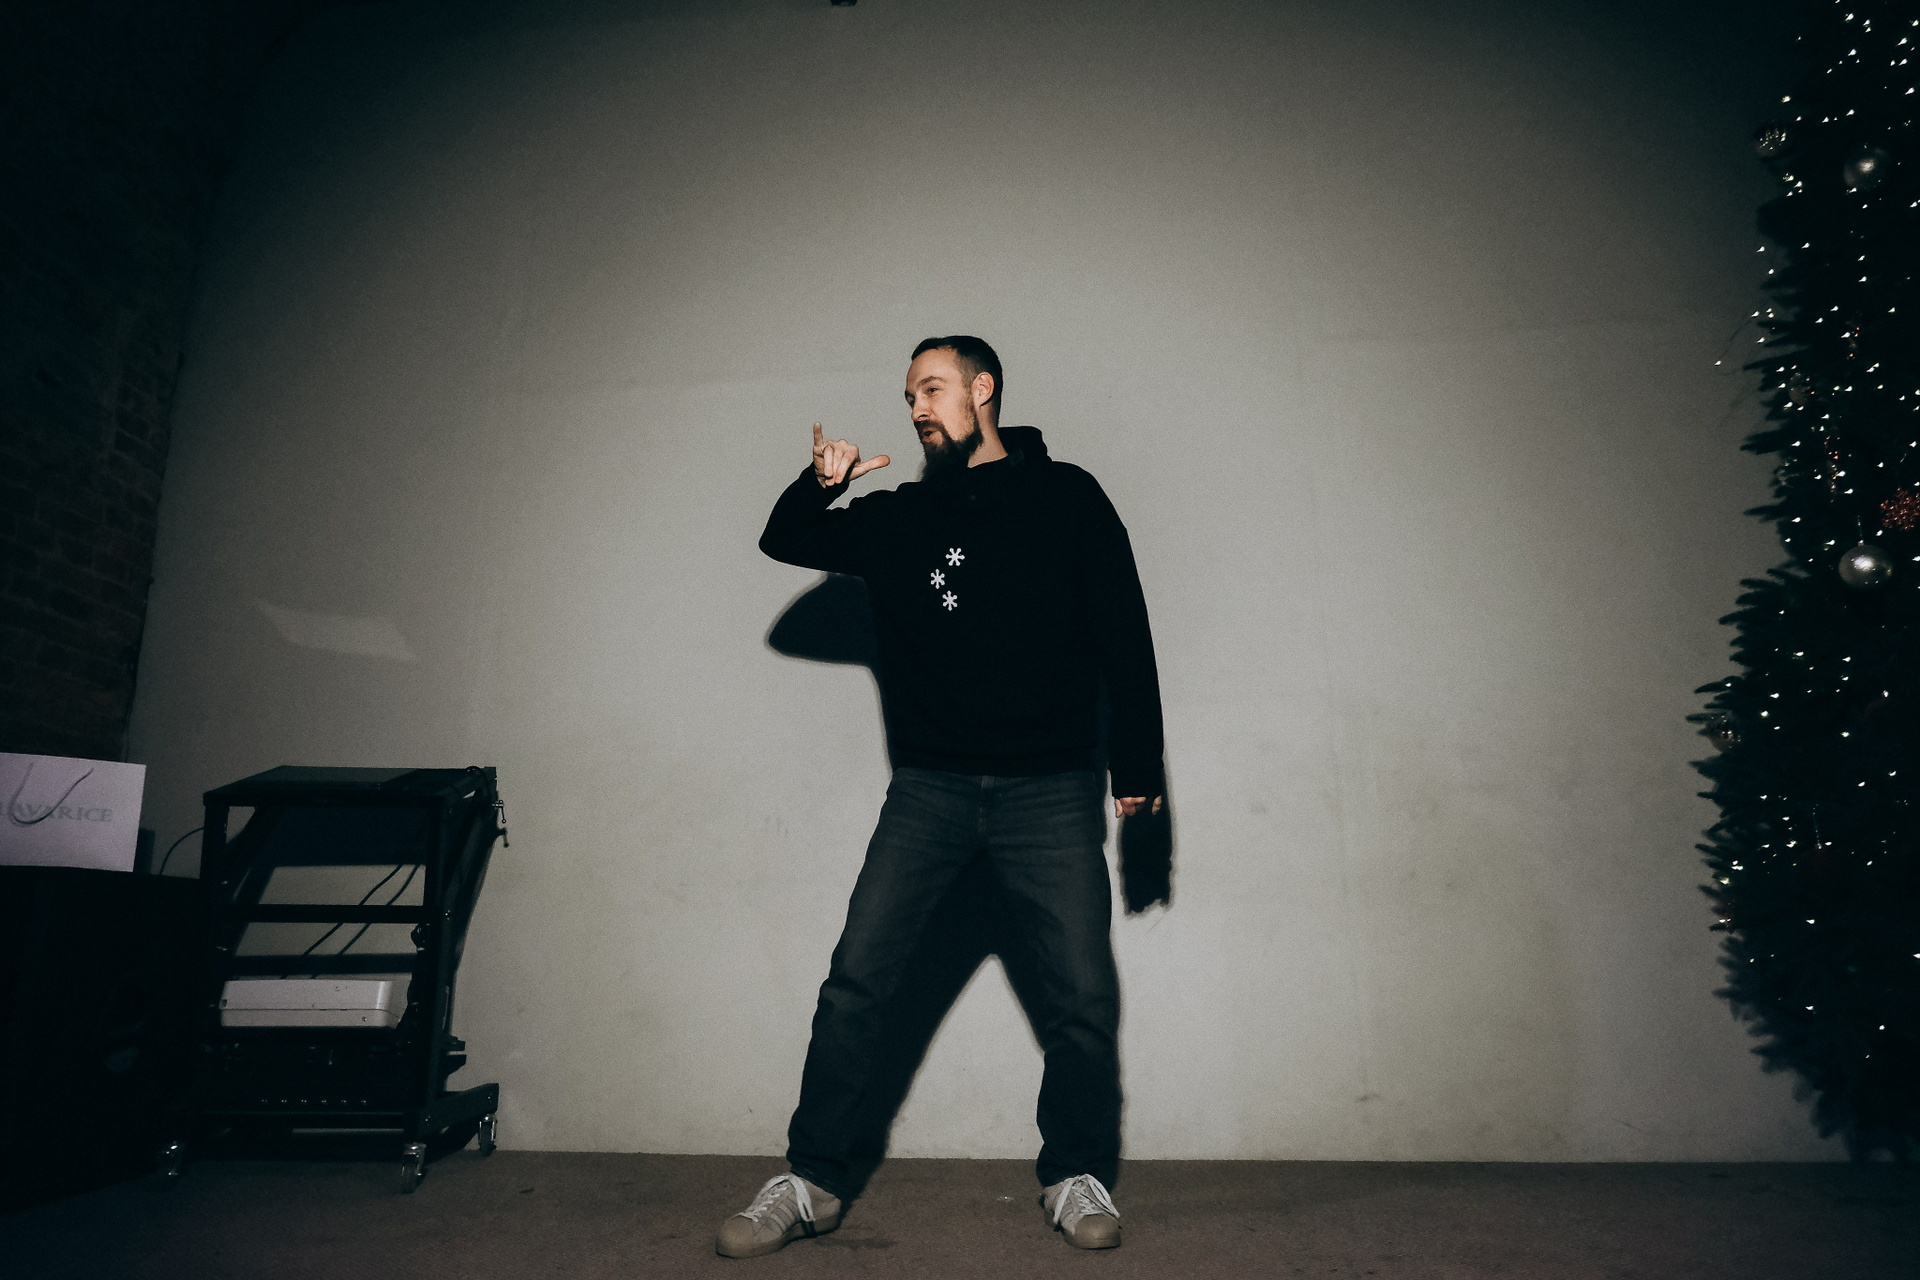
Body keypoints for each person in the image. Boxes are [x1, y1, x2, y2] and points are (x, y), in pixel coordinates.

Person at [718, 336, 1165, 1257]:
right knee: (856, 983)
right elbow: (784, 539)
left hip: (1051, 789)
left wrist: (1138, 768)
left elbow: (1124, 627)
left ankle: (1074, 1172)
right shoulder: (902, 517)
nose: (918, 407)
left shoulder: (1068, 496)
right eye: (909, 395)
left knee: (1082, 996)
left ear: (983, 388)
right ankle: (813, 1180)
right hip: (930, 790)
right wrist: (821, 485)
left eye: (933, 388)